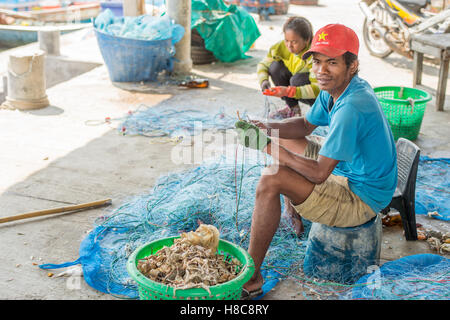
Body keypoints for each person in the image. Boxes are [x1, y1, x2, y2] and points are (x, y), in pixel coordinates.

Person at [237, 23, 398, 299]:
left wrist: (267, 146)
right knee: (284, 141)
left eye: (332, 62)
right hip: (353, 169)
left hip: (363, 196)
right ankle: (294, 211)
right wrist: (266, 126)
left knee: (269, 180)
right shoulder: (337, 88)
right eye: (318, 61)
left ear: (352, 65)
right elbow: (305, 126)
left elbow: (321, 173)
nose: (321, 71)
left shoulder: (351, 106)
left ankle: (251, 278)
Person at [257, 16, 320, 118]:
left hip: (319, 94)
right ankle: (293, 109)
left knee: (296, 81)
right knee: (275, 67)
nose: (289, 45)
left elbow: (318, 89)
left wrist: (288, 91)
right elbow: (263, 64)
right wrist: (263, 80)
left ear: (307, 40)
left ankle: (319, 111)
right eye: (287, 40)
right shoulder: (280, 47)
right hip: (296, 84)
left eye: (294, 42)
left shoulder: (315, 56)